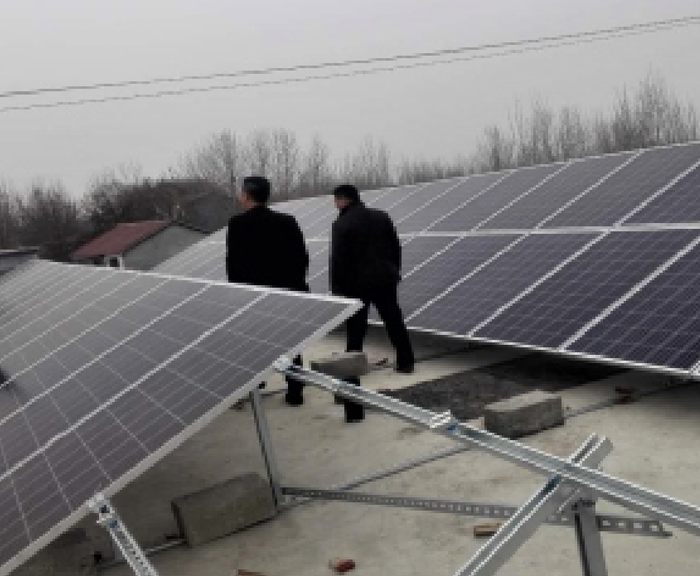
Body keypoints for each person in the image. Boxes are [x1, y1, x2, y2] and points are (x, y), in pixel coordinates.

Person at [226, 176, 309, 406]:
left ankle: (257, 385)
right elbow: (301, 257)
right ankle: (295, 392)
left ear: (246, 195)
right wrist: (296, 286)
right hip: (287, 291)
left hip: (255, 295)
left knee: (256, 342)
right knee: (291, 342)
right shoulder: (287, 221)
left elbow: (234, 263)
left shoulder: (238, 224)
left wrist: (238, 294)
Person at [330, 184, 415, 375]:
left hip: (356, 284)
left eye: (336, 200)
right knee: (393, 320)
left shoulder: (342, 223)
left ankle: (353, 366)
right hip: (385, 279)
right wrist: (394, 271)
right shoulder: (381, 216)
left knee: (356, 326)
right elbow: (395, 247)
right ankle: (406, 361)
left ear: (343, 200)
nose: (335, 204)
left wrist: (337, 288)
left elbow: (338, 259)